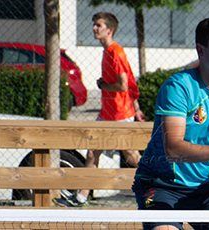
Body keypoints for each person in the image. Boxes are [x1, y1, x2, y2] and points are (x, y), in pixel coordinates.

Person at [131, 17, 209, 230]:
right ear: (201, 50)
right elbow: (173, 149)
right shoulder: (178, 87)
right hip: (161, 184)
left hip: (205, 187)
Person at [52, 12, 145, 208]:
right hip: (107, 114)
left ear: (109, 30)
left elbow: (122, 85)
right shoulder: (107, 52)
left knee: (132, 157)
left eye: (99, 25)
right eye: (94, 24)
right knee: (92, 154)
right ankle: (81, 198)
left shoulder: (116, 52)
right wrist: (136, 106)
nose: (94, 28)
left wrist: (103, 86)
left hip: (119, 115)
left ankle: (164, 185)